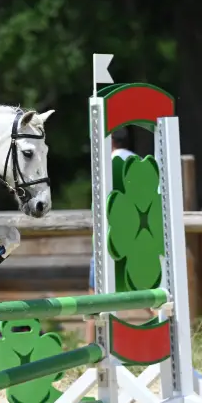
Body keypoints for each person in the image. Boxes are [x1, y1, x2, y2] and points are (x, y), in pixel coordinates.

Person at [86, 128, 154, 343]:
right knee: (145, 292)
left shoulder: (107, 165)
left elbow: (102, 205)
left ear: (109, 142)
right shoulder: (140, 162)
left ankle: (90, 347)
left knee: (94, 295)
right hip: (141, 237)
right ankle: (174, 335)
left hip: (111, 237)